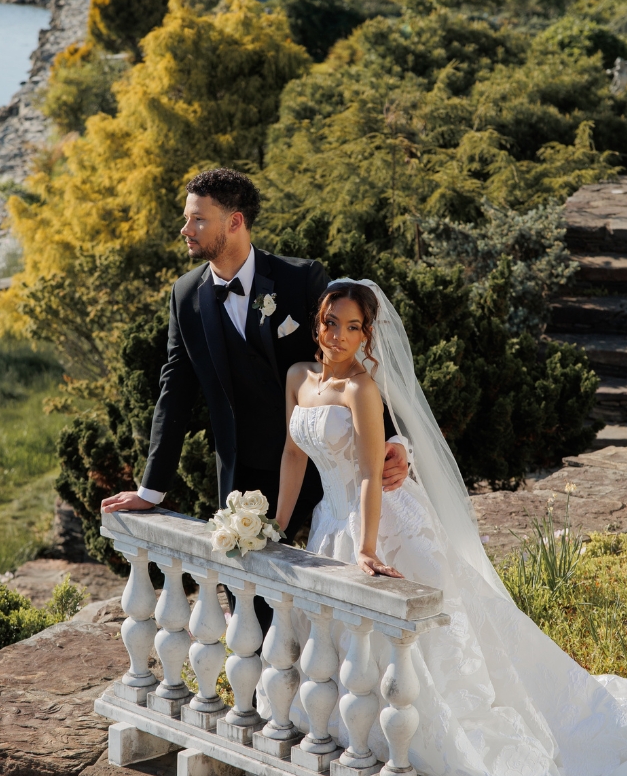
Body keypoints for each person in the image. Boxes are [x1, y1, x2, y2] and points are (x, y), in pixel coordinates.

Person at [272, 278, 627, 776]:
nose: (337, 335)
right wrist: (275, 525)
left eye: (352, 327)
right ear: (315, 320)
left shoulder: (363, 390)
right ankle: (355, 742)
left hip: (384, 522)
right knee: (343, 646)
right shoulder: (300, 378)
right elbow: (293, 454)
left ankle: (436, 750)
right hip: (330, 522)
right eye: (328, 322)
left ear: (368, 335)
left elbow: (371, 474)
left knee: (433, 644)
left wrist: (366, 548)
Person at [98, 167, 409, 537]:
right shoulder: (185, 296)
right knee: (245, 587)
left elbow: (349, 355)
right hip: (242, 474)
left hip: (321, 460)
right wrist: (150, 490)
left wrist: (391, 440)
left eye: (198, 219)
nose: (186, 229)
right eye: (186, 219)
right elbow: (174, 392)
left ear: (235, 222)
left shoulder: (299, 279)